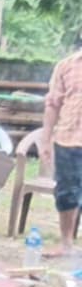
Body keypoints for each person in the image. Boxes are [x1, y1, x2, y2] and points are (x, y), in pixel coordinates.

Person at [39, 42, 82, 258]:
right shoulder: (66, 66)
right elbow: (53, 104)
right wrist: (45, 139)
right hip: (69, 138)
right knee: (67, 193)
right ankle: (66, 244)